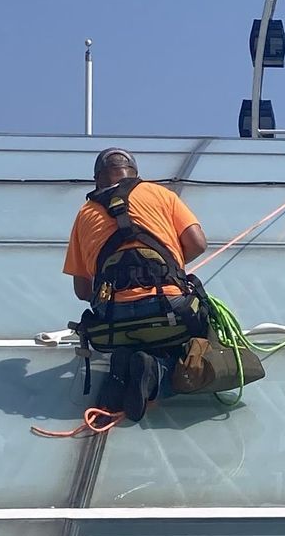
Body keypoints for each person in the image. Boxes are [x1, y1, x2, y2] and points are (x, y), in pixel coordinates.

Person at [62, 148, 209, 419]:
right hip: (170, 308)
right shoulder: (161, 194)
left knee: (134, 336)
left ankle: (126, 365)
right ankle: (158, 373)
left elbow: (82, 292)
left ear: (97, 179)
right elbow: (198, 244)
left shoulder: (84, 214)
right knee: (192, 341)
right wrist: (171, 270)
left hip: (114, 321)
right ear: (136, 174)